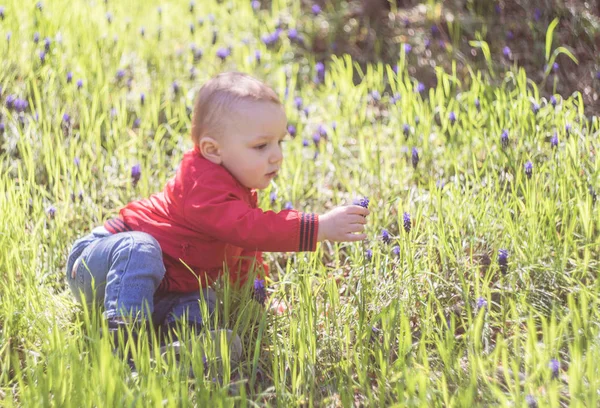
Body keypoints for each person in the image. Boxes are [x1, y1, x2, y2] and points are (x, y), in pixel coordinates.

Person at [65, 71, 369, 363]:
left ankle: (180, 347)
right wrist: (319, 227)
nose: (277, 155)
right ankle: (125, 350)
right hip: (98, 267)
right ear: (213, 150)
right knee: (140, 249)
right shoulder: (202, 186)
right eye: (262, 145)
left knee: (201, 299)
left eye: (281, 142)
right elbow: (251, 230)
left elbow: (244, 253)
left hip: (159, 288)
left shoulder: (237, 188)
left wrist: (257, 300)